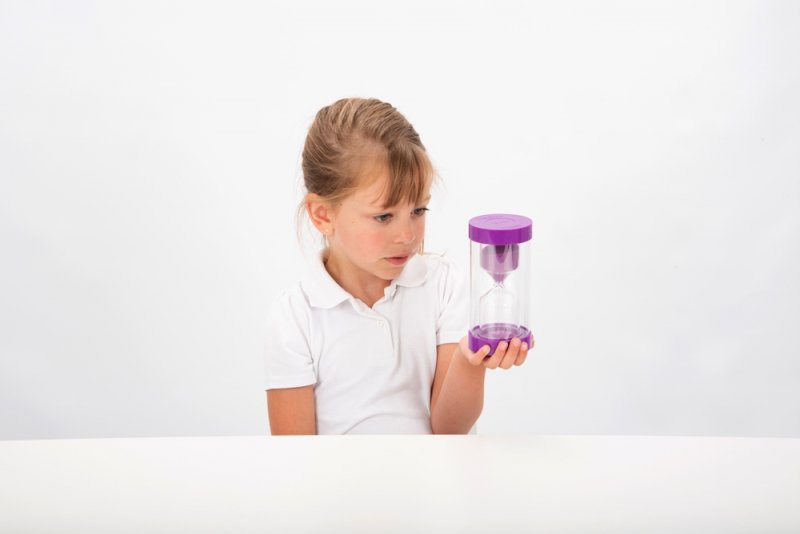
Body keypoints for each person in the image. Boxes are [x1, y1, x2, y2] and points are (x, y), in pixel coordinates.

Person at [264, 97, 532, 435]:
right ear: (323, 215)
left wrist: (469, 361)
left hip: (434, 470)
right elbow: (294, 453)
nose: (408, 236)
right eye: (384, 216)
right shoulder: (295, 317)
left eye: (418, 211)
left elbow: (449, 430)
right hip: (340, 472)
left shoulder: (444, 285)